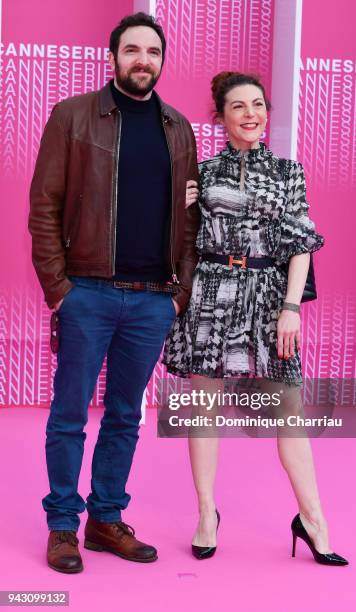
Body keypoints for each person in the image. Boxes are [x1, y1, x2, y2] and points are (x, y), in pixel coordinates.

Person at [28, 12, 200, 573]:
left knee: (126, 416)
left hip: (153, 299)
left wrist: (178, 294)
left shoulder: (178, 127)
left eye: (152, 51)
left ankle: (104, 519)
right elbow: (44, 206)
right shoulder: (73, 116)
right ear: (114, 56)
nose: (142, 60)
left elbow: (191, 221)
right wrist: (59, 289)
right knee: (70, 414)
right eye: (132, 50)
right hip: (88, 294)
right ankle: (62, 526)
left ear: (161, 61)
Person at [163, 71, 349, 566]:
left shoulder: (289, 171)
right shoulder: (201, 172)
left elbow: (301, 244)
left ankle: (313, 520)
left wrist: (291, 308)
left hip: (268, 297)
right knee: (204, 407)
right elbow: (181, 239)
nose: (252, 114)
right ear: (220, 117)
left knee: (290, 412)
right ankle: (206, 513)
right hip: (211, 293)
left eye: (259, 104)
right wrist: (181, 210)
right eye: (239, 106)